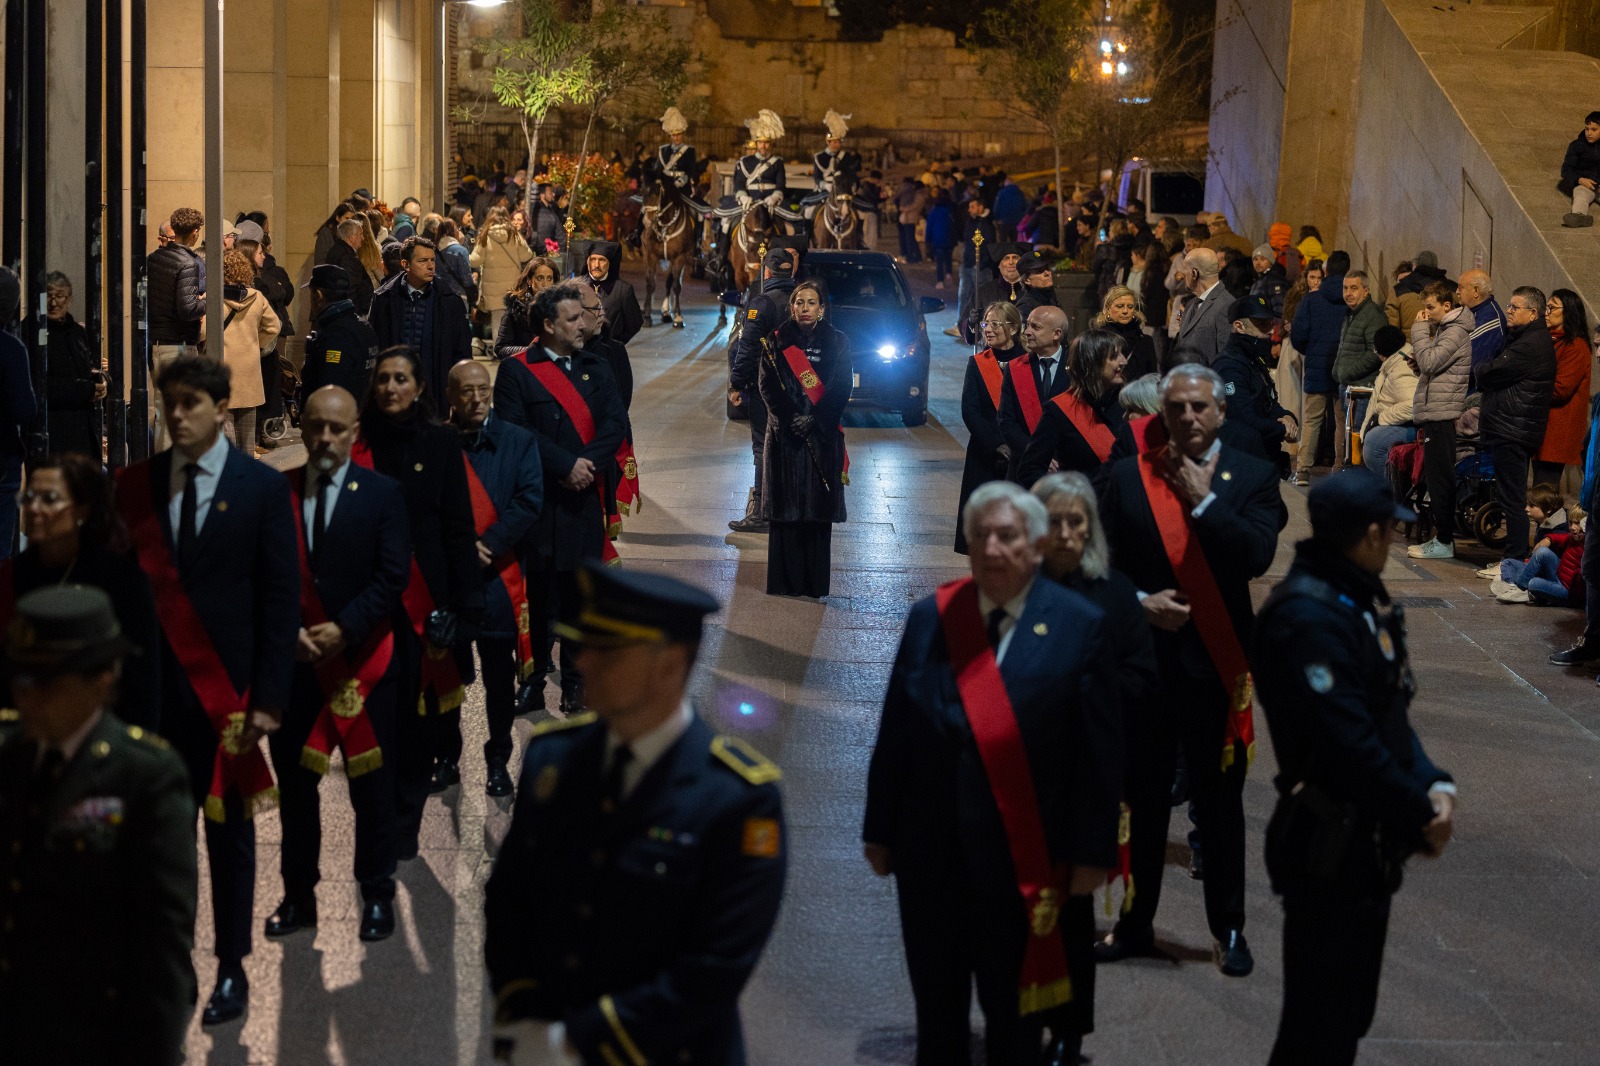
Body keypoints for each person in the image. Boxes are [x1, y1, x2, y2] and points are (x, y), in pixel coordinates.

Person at [864, 481, 1122, 1066]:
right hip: (931, 857)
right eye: (980, 535)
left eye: (1007, 536)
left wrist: (1091, 853)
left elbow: (1098, 753)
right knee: (938, 1012)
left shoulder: (1078, 625)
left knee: (1014, 1021)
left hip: (1024, 857)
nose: (991, 548)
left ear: (1036, 545)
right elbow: (897, 729)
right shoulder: (931, 617)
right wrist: (879, 829)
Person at [486, 562, 784, 1066]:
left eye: (608, 652)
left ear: (669, 666)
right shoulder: (552, 759)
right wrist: (525, 1016)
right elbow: (510, 899)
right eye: (584, 644)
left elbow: (715, 966)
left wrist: (579, 1042)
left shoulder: (737, 799)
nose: (583, 660)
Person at [114, 354, 299, 1026]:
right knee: (161, 842)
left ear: (223, 409)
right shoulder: (133, 487)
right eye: (171, 404)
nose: (178, 415)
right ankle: (173, 961)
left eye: (192, 403)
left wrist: (269, 698)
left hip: (228, 700)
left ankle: (231, 967)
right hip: (150, 700)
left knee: (229, 839)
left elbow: (279, 600)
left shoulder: (261, 489)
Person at [1254, 468, 1456, 1066]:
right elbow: (1349, 746)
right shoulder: (1307, 618)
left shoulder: (1352, 598)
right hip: (1328, 844)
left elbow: (1389, 714)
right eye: (1391, 531)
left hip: (1365, 844)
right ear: (1370, 534)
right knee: (1316, 1027)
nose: (1393, 542)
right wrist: (1420, 813)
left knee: (1346, 1015)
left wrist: (1434, 781)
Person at [1095, 364, 1288, 977]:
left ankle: (1229, 928)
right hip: (1145, 667)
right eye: (1176, 407)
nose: (1187, 418)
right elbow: (1097, 565)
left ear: (1221, 411)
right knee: (1142, 802)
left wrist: (1204, 501)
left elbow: (1255, 554)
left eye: (1199, 407)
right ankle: (1134, 923)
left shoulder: (1253, 476)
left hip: (1213, 667)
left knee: (1220, 806)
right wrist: (1136, 602)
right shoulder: (1127, 477)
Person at [0, 586, 199, 1066]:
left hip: (93, 1041)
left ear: (103, 680)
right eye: (21, 681)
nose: (29, 699)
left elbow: (161, 952)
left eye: (48, 684)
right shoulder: (9, 759)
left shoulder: (144, 776)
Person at [265, 385, 411, 946]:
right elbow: (261, 576)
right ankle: (297, 896)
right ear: (301, 428)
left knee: (371, 791)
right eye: (315, 426)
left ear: (354, 433)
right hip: (296, 669)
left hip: (362, 665)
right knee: (297, 793)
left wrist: (344, 628)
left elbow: (392, 576)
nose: (325, 438)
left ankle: (376, 893)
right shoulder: (275, 493)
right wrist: (290, 635)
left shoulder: (381, 495)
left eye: (336, 429)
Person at [356, 348, 483, 846]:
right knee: (375, 716)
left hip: (426, 600)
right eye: (383, 379)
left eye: (401, 379)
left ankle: (406, 817)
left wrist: (464, 609)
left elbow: (458, 528)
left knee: (418, 718)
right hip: (370, 600)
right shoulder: (357, 443)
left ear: (419, 388)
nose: (390, 387)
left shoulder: (440, 442)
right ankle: (379, 814)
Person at [492, 284, 626, 714]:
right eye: (573, 318)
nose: (584, 324)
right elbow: (515, 430)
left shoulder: (596, 366)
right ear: (549, 325)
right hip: (536, 501)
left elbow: (615, 424)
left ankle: (574, 683)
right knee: (535, 597)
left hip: (581, 503)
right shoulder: (516, 372)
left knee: (577, 598)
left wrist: (585, 465)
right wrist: (565, 465)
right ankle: (531, 680)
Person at [2, 454, 161, 728]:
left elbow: (141, 682)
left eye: (49, 499)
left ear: (82, 510)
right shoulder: (13, 574)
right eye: (29, 498)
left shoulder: (122, 580)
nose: (34, 508)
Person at [446, 360, 543, 796]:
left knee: (499, 680)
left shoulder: (518, 441)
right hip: (450, 580)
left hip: (497, 578)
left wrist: (488, 545)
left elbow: (528, 500)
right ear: (451, 397)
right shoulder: (436, 443)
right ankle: (447, 757)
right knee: (447, 677)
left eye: (482, 390)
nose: (476, 399)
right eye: (466, 391)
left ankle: (499, 758)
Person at [759, 280, 850, 599]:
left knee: (817, 513)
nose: (805, 308)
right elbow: (767, 385)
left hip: (822, 438)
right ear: (792, 307)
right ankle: (784, 582)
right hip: (785, 438)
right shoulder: (776, 340)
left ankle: (813, 583)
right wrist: (790, 419)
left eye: (812, 302)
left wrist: (815, 419)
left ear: (821, 309)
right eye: (800, 302)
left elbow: (842, 387)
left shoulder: (838, 341)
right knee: (785, 513)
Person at [1479, 286, 1557, 564]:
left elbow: (1490, 371)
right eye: (1509, 306)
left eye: (1515, 307)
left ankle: (1513, 558)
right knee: (1510, 495)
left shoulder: (1529, 345)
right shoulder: (1525, 338)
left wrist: (1482, 368)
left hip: (1512, 428)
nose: (1509, 311)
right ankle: (1513, 555)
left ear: (1533, 313)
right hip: (1511, 426)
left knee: (1512, 498)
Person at [729, 249, 798, 535]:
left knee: (763, 446)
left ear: (767, 272)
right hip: (797, 388)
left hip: (766, 388)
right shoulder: (802, 300)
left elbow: (747, 348)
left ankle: (760, 511)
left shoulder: (762, 303)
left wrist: (736, 383)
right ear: (790, 271)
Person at [1406, 281, 1475, 561]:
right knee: (1435, 480)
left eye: (1430, 307)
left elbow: (1431, 362)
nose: (1426, 313)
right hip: (1435, 411)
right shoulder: (1447, 330)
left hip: (1442, 415)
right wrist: (1419, 365)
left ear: (1447, 306)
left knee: (1440, 480)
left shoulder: (1455, 332)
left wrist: (1419, 330)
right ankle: (1441, 538)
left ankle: (1444, 541)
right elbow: (1432, 366)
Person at [1016, 330, 1131, 487]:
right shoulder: (1059, 410)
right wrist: (1065, 497)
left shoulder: (1130, 404)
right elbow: (1029, 470)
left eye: (1122, 355)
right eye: (1114, 356)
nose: (1124, 362)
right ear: (1091, 362)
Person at [956, 302, 1027, 554]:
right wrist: (997, 444)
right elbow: (970, 411)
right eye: (986, 323)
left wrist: (1015, 444)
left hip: (1019, 452)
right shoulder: (978, 363)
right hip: (985, 452)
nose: (988, 329)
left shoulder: (1027, 362)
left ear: (1014, 328)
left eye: (996, 324)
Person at [368, 236, 474, 403]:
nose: (431, 266)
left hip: (435, 389)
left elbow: (462, 350)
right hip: (394, 389)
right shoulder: (384, 299)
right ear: (406, 265)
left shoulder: (449, 300)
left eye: (432, 260)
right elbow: (374, 345)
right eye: (423, 261)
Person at [203, 249, 281, 453]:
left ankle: (229, 468)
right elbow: (274, 327)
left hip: (222, 369)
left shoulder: (214, 298)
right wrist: (256, 343)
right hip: (249, 370)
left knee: (225, 427)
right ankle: (246, 468)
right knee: (247, 432)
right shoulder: (257, 297)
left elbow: (202, 332)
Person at [146, 207, 207, 450]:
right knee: (181, 412)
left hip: (156, 342)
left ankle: (162, 464)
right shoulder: (188, 263)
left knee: (163, 411)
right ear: (195, 232)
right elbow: (187, 309)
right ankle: (174, 467)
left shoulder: (153, 259)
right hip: (179, 345)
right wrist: (208, 300)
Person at [1291, 250, 1352, 485]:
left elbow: (1298, 335)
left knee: (1311, 420)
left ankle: (1303, 470)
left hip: (1317, 366)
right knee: (1342, 420)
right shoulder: (1351, 300)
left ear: (1325, 271)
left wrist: (1311, 351)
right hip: (1344, 368)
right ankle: (1339, 468)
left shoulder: (1311, 299)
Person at [1213, 294, 1297, 460]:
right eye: (1262, 325)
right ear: (1239, 326)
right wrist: (1282, 428)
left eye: (1271, 323)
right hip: (1241, 460)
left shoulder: (1253, 359)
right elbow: (1243, 419)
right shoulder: (1229, 366)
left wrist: (1288, 416)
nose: (1270, 331)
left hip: (1262, 457)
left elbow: (1269, 403)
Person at [997, 306, 1071, 479]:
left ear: (1056, 334)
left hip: (1064, 469)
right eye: (1027, 325)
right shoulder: (1015, 368)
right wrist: (1036, 455)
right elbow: (1006, 421)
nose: (1027, 332)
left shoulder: (1076, 367)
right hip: (1023, 468)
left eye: (1035, 327)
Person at [1536, 288, 1592, 486]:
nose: (1546, 313)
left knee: (1545, 490)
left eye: (1552, 308)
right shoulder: (1549, 339)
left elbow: (1561, 389)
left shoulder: (1575, 346)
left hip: (1557, 431)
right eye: (1547, 307)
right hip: (1541, 427)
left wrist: (1528, 388)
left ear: (1568, 312)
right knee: (1538, 490)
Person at [301, 262, 380, 401]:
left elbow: (329, 391)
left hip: (339, 413)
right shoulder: (363, 327)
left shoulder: (336, 335)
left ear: (318, 295)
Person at [1357, 325, 1419, 475]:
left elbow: (1413, 405)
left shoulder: (1401, 370)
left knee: (1374, 444)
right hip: (1403, 424)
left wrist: (1382, 418)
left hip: (1413, 428)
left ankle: (1391, 487)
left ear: (1382, 353)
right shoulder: (1393, 363)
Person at [1493, 507, 1586, 605]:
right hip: (1558, 576)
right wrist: (1548, 539)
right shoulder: (1573, 538)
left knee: (1533, 583)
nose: (1572, 527)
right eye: (1571, 523)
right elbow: (1563, 537)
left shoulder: (1590, 547)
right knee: (1511, 562)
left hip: (1568, 592)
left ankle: (1521, 589)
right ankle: (1518, 587)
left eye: (1578, 523)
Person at [1332, 270, 1386, 435]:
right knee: (1349, 436)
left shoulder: (1372, 315)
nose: (1348, 293)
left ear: (1366, 291)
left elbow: (1375, 352)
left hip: (1362, 390)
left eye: (1354, 288)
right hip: (1349, 386)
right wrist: (1338, 372)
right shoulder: (1352, 313)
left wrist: (1347, 372)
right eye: (1345, 288)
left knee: (1357, 435)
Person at [470, 205, 533, 339]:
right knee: (512, 320)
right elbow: (526, 255)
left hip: (492, 288)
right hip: (512, 287)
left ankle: (498, 347)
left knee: (497, 321)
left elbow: (475, 261)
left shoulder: (485, 235)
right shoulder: (514, 234)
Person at [1169, 247, 1230, 367]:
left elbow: (1225, 358)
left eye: (1185, 269)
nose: (1183, 275)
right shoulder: (1191, 304)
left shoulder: (1226, 305)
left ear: (1194, 273)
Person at [576, 240, 643, 346]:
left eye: (602, 260)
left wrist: (615, 344)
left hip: (609, 351)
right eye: (593, 259)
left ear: (609, 263)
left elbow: (635, 323)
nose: (596, 265)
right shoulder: (576, 287)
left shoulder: (623, 290)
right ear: (587, 262)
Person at [495, 256, 560, 360]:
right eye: (540, 278)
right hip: (526, 366)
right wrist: (528, 351)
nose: (545, 284)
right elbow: (501, 349)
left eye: (549, 278)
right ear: (529, 281)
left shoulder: (561, 309)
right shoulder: (516, 308)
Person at [963, 242, 1028, 341]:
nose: (1011, 262)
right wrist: (971, 322)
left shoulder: (1032, 289)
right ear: (999, 265)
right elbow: (965, 325)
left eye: (1015, 257)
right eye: (1006, 258)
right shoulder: (984, 291)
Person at [1093, 284, 1159, 380]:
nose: (1125, 311)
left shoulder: (1145, 342)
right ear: (1107, 309)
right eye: (1119, 306)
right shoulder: (1097, 341)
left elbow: (1152, 379)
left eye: (1130, 307)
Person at [733, 110, 788, 213]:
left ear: (771, 144)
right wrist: (743, 196)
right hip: (750, 199)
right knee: (727, 219)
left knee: (791, 219)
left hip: (771, 200)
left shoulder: (778, 163)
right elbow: (739, 183)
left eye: (766, 143)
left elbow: (781, 184)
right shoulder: (745, 162)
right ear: (756, 143)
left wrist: (775, 196)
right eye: (760, 143)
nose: (763, 146)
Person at [1456, 269, 1507, 381]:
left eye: (1460, 288)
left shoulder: (1490, 321)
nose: (1457, 292)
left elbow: (1471, 365)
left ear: (1476, 291)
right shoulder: (1470, 311)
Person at [328, 217, 377, 315]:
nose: (363, 238)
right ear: (351, 237)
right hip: (350, 313)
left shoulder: (337, 250)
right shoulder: (347, 257)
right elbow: (351, 289)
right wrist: (355, 315)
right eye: (360, 234)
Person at [1559, 111, 1600, 227]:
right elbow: (1566, 170)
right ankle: (1579, 216)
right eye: (1587, 129)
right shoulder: (1577, 146)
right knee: (1580, 195)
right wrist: (1580, 180)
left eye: (1594, 130)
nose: (1589, 133)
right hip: (1586, 185)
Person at [1249, 244, 1288, 320]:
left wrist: (1274, 325)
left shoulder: (1275, 280)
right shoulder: (1258, 280)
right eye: (1255, 259)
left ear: (1270, 261)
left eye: (1262, 259)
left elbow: (1279, 307)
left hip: (1269, 325)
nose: (1258, 263)